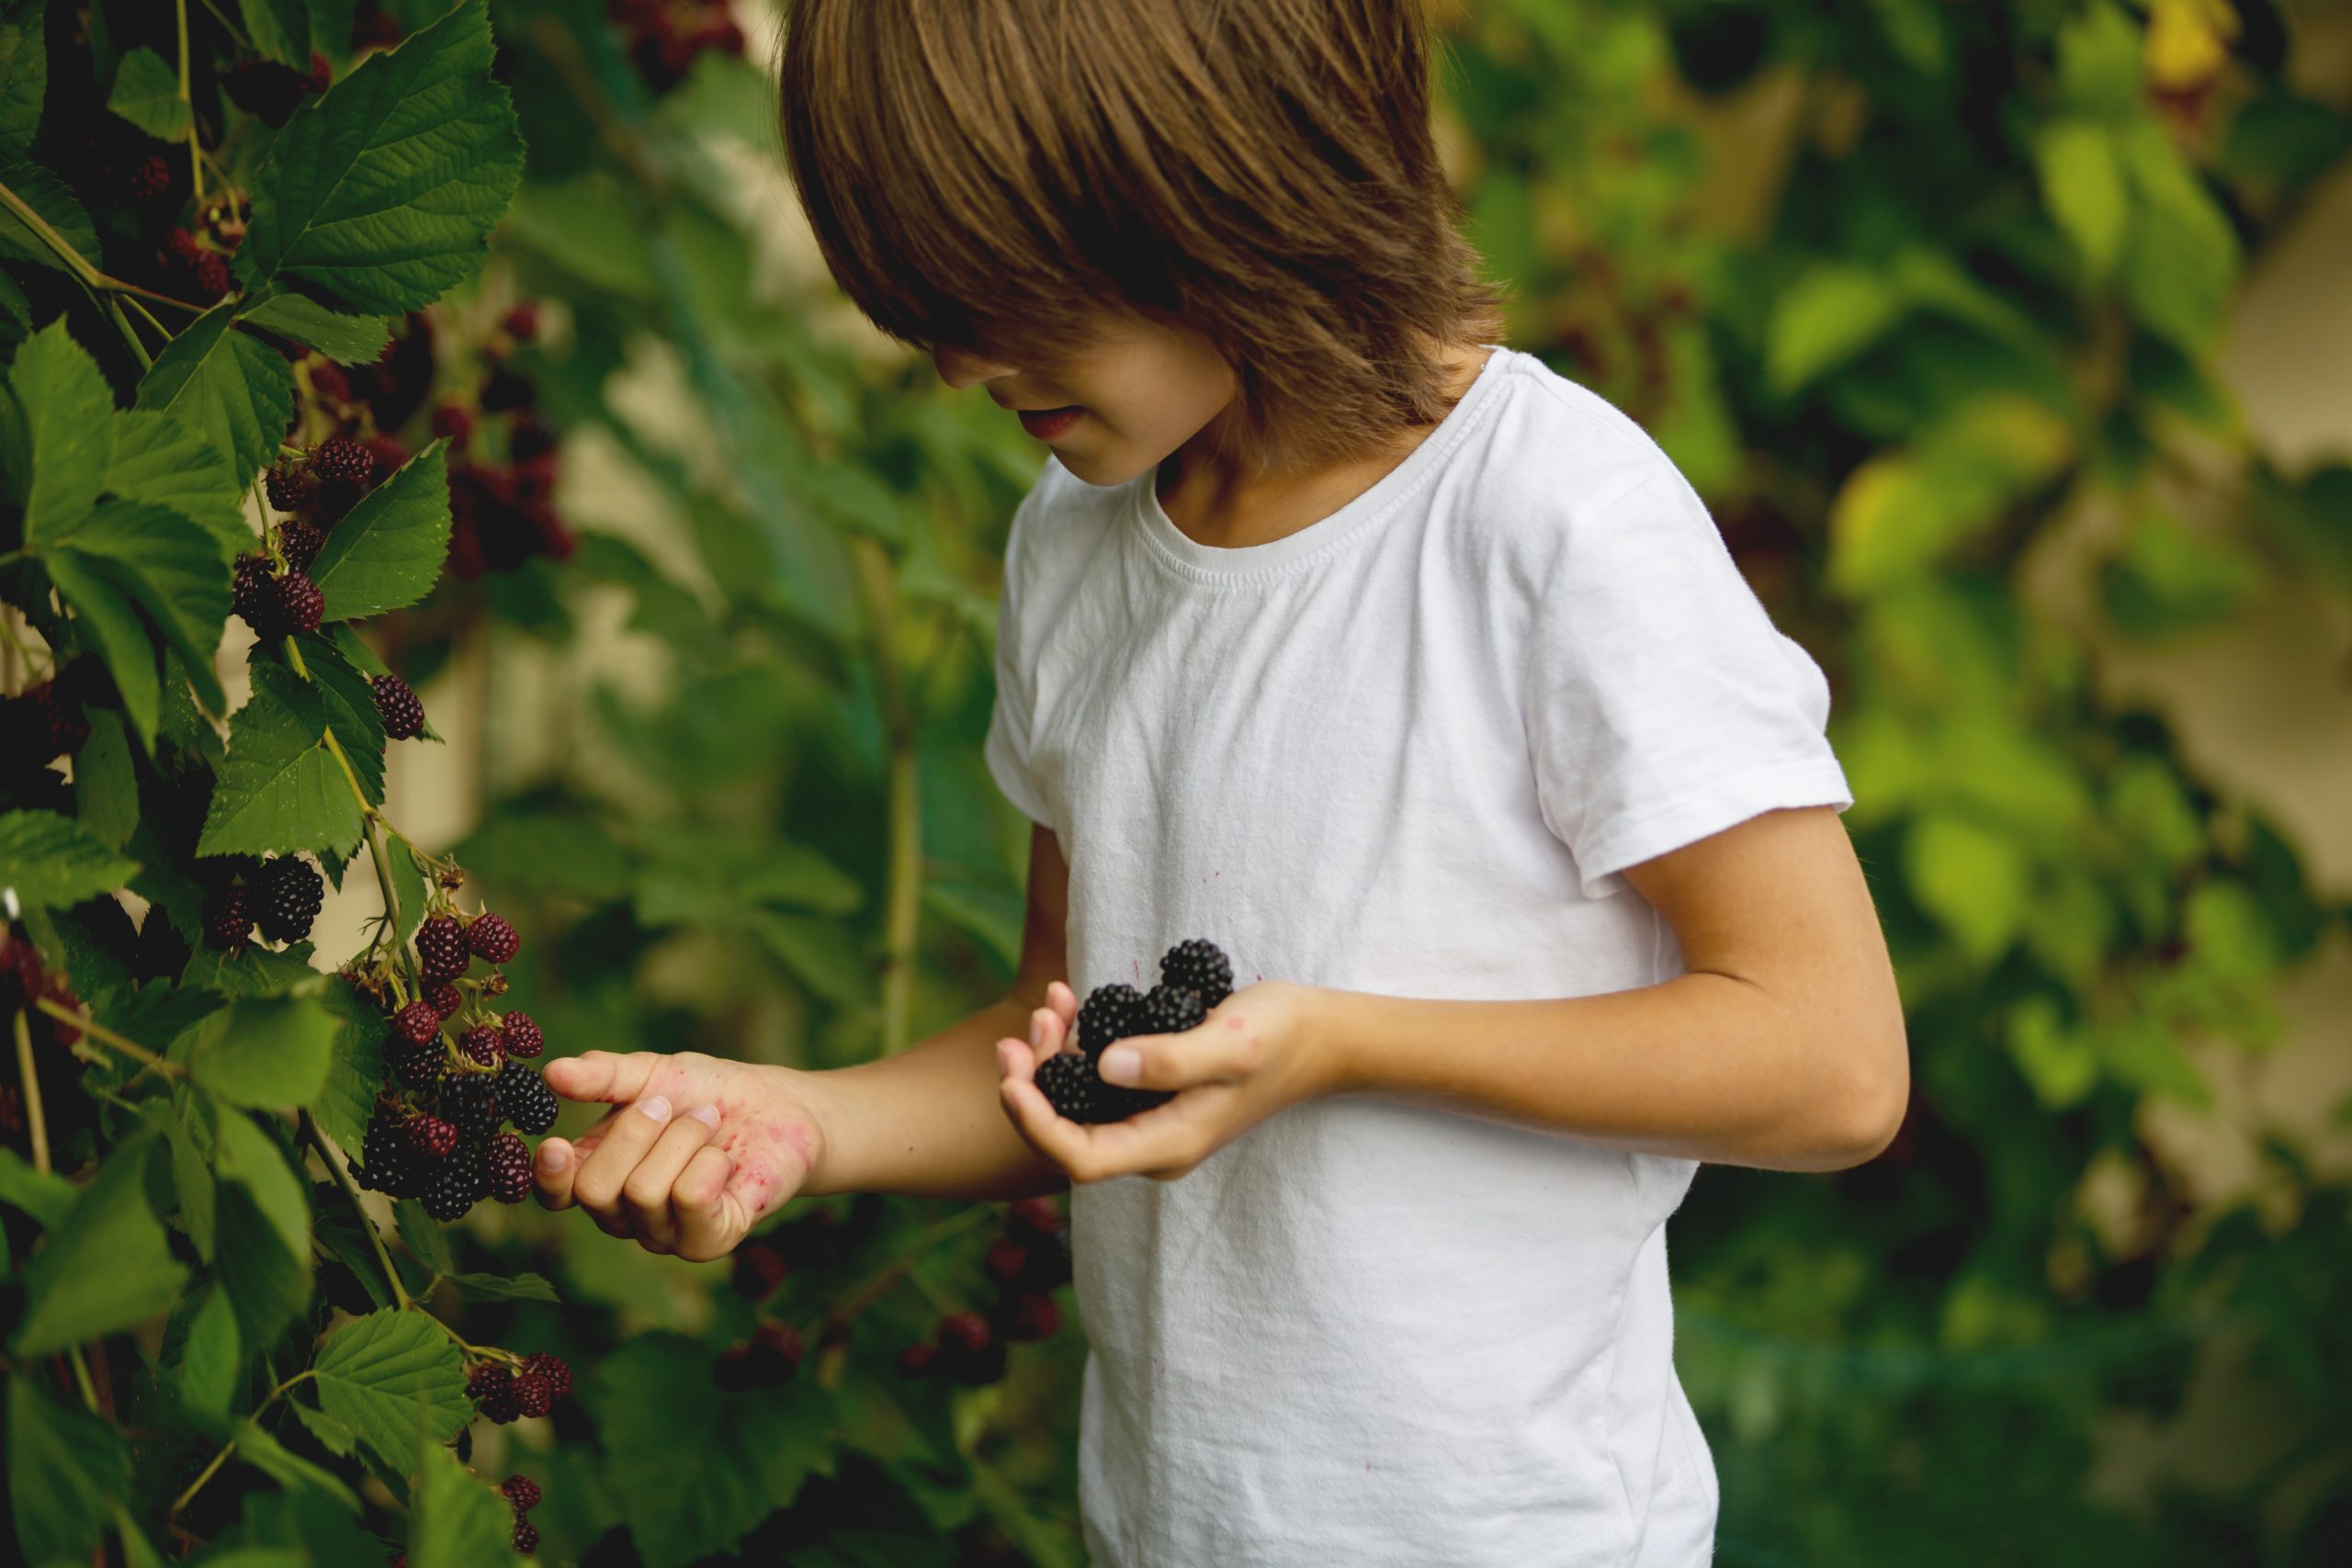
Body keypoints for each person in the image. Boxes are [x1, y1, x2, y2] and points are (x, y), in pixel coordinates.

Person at [528, 2, 1910, 1562]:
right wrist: (798, 1123)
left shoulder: (1555, 529)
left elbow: (1835, 1065)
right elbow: (1070, 1035)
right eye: (923, 305)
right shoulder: (1075, 545)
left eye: (995, 291)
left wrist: (1341, 1044)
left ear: (1212, 184)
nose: (959, 359)